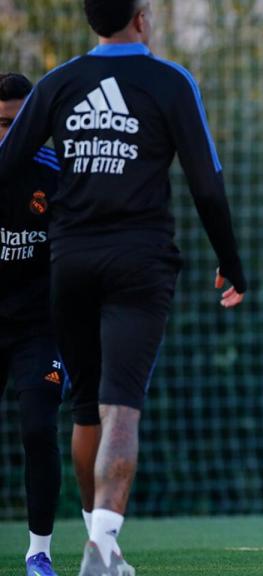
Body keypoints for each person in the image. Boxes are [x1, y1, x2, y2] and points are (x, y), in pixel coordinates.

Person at [0, 1, 248, 574]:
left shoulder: (59, 83)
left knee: (85, 410)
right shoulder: (169, 80)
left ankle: (98, 546)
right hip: (140, 263)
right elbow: (206, 184)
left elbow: (7, 162)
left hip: (70, 265)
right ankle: (103, 548)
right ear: (141, 18)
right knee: (121, 410)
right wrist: (231, 263)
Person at [0, 72, 63, 576]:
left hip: (38, 326)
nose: (10, 135)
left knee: (39, 429)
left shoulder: (55, 171)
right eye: (1, 124)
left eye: (19, 123)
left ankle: (38, 552)